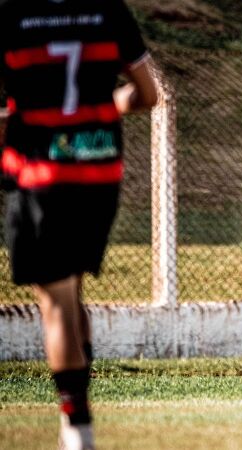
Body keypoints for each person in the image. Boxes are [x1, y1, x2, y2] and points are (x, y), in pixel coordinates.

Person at [0, 0, 158, 447]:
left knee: (56, 305)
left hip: (39, 176)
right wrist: (103, 106)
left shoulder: (12, 16)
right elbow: (147, 95)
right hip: (98, 173)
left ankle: (77, 430)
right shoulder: (108, 12)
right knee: (72, 293)